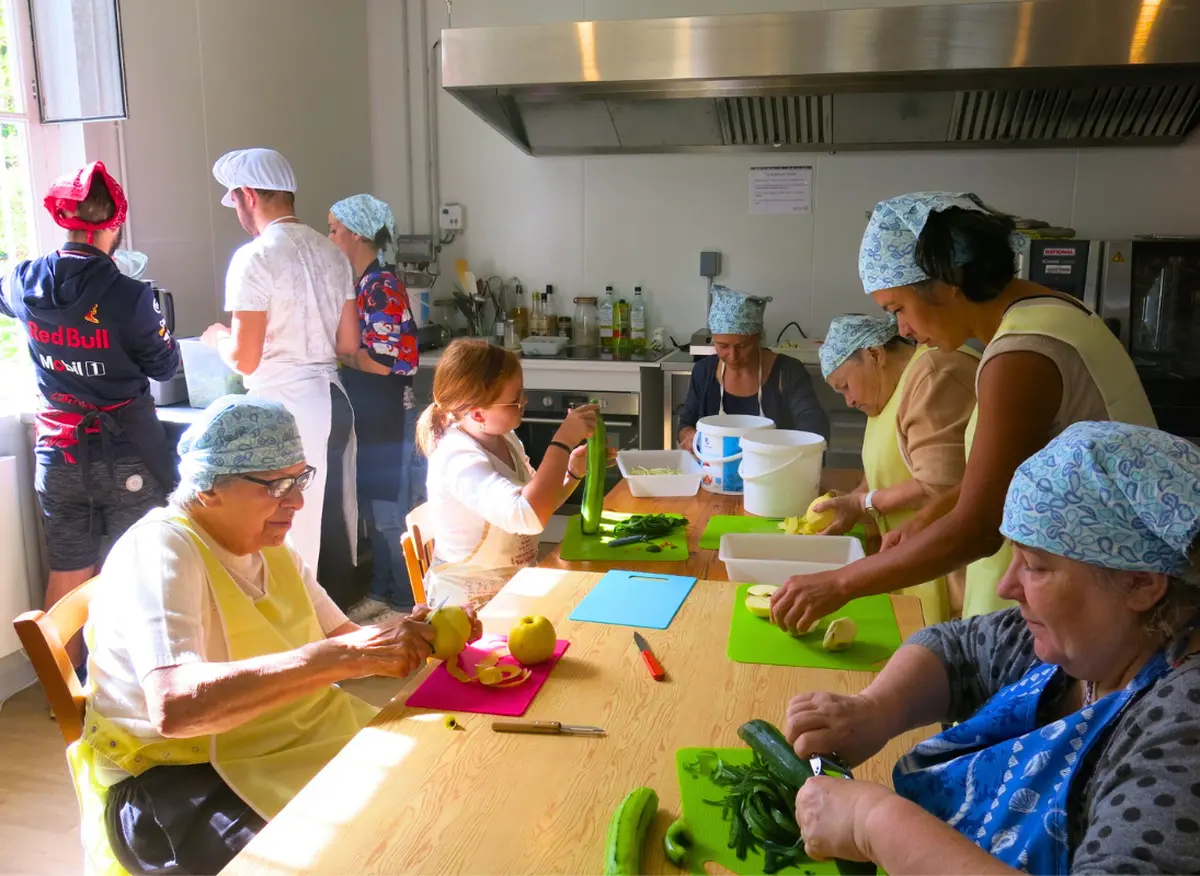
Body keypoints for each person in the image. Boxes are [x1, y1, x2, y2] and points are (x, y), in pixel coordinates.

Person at [73, 396, 477, 876]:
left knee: (433, 796)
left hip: (283, 743)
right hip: (176, 780)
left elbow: (347, 637)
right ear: (209, 488)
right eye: (275, 485)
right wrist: (341, 657)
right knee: (357, 854)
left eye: (299, 478)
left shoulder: (269, 545)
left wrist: (412, 636)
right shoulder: (162, 550)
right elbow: (175, 706)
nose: (297, 501)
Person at [783, 422, 1200, 876]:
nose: (1006, 585)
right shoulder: (1084, 643)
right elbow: (954, 649)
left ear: (1140, 585)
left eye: (1036, 567)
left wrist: (874, 823)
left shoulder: (1185, 730)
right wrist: (877, 708)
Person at [771, 192, 1156, 632]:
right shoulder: (1057, 314)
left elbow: (978, 527)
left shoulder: (1020, 357)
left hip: (1084, 610)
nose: (904, 330)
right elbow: (1002, 477)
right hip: (1084, 592)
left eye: (898, 308)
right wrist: (928, 518)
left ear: (946, 281)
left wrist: (839, 585)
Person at [0, 161, 178, 669]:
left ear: (63, 218)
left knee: (68, 567)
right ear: (114, 225)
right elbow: (164, 366)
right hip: (126, 455)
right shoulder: (130, 294)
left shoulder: (23, 279)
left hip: (57, 453)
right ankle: (134, 683)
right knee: (139, 567)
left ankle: (64, 692)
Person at [202, 148, 361, 603]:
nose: (237, 212)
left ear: (247, 195)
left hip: (284, 413)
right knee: (332, 524)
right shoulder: (331, 252)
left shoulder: (254, 258)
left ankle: (295, 644)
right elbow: (348, 344)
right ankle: (325, 630)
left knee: (286, 538)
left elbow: (246, 359)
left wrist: (216, 338)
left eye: (234, 202)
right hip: (333, 402)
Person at [417, 339, 609, 608]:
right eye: (514, 400)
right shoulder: (458, 459)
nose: (524, 401)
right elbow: (528, 515)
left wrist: (572, 473)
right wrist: (562, 442)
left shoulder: (506, 439)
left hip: (517, 587)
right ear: (477, 414)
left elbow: (540, 503)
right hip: (467, 610)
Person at [816, 314, 979, 623]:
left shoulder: (932, 374)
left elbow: (938, 484)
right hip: (913, 561)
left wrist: (864, 502)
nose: (848, 401)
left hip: (954, 569)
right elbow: (885, 463)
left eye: (846, 386)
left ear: (875, 355)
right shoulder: (885, 391)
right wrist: (855, 501)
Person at [327, 194, 420, 623]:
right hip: (369, 413)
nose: (330, 238)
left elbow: (379, 362)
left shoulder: (380, 285)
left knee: (389, 516)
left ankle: (404, 602)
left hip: (386, 414)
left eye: (334, 230)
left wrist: (338, 354)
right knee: (375, 508)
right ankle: (382, 591)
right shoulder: (363, 284)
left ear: (358, 234)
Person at [678, 285, 829, 452]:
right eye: (723, 346)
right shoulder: (704, 372)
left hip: (773, 470)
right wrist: (689, 436)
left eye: (743, 346)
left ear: (758, 338)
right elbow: (685, 424)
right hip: (715, 472)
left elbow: (815, 427)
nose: (733, 355)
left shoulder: (787, 372)